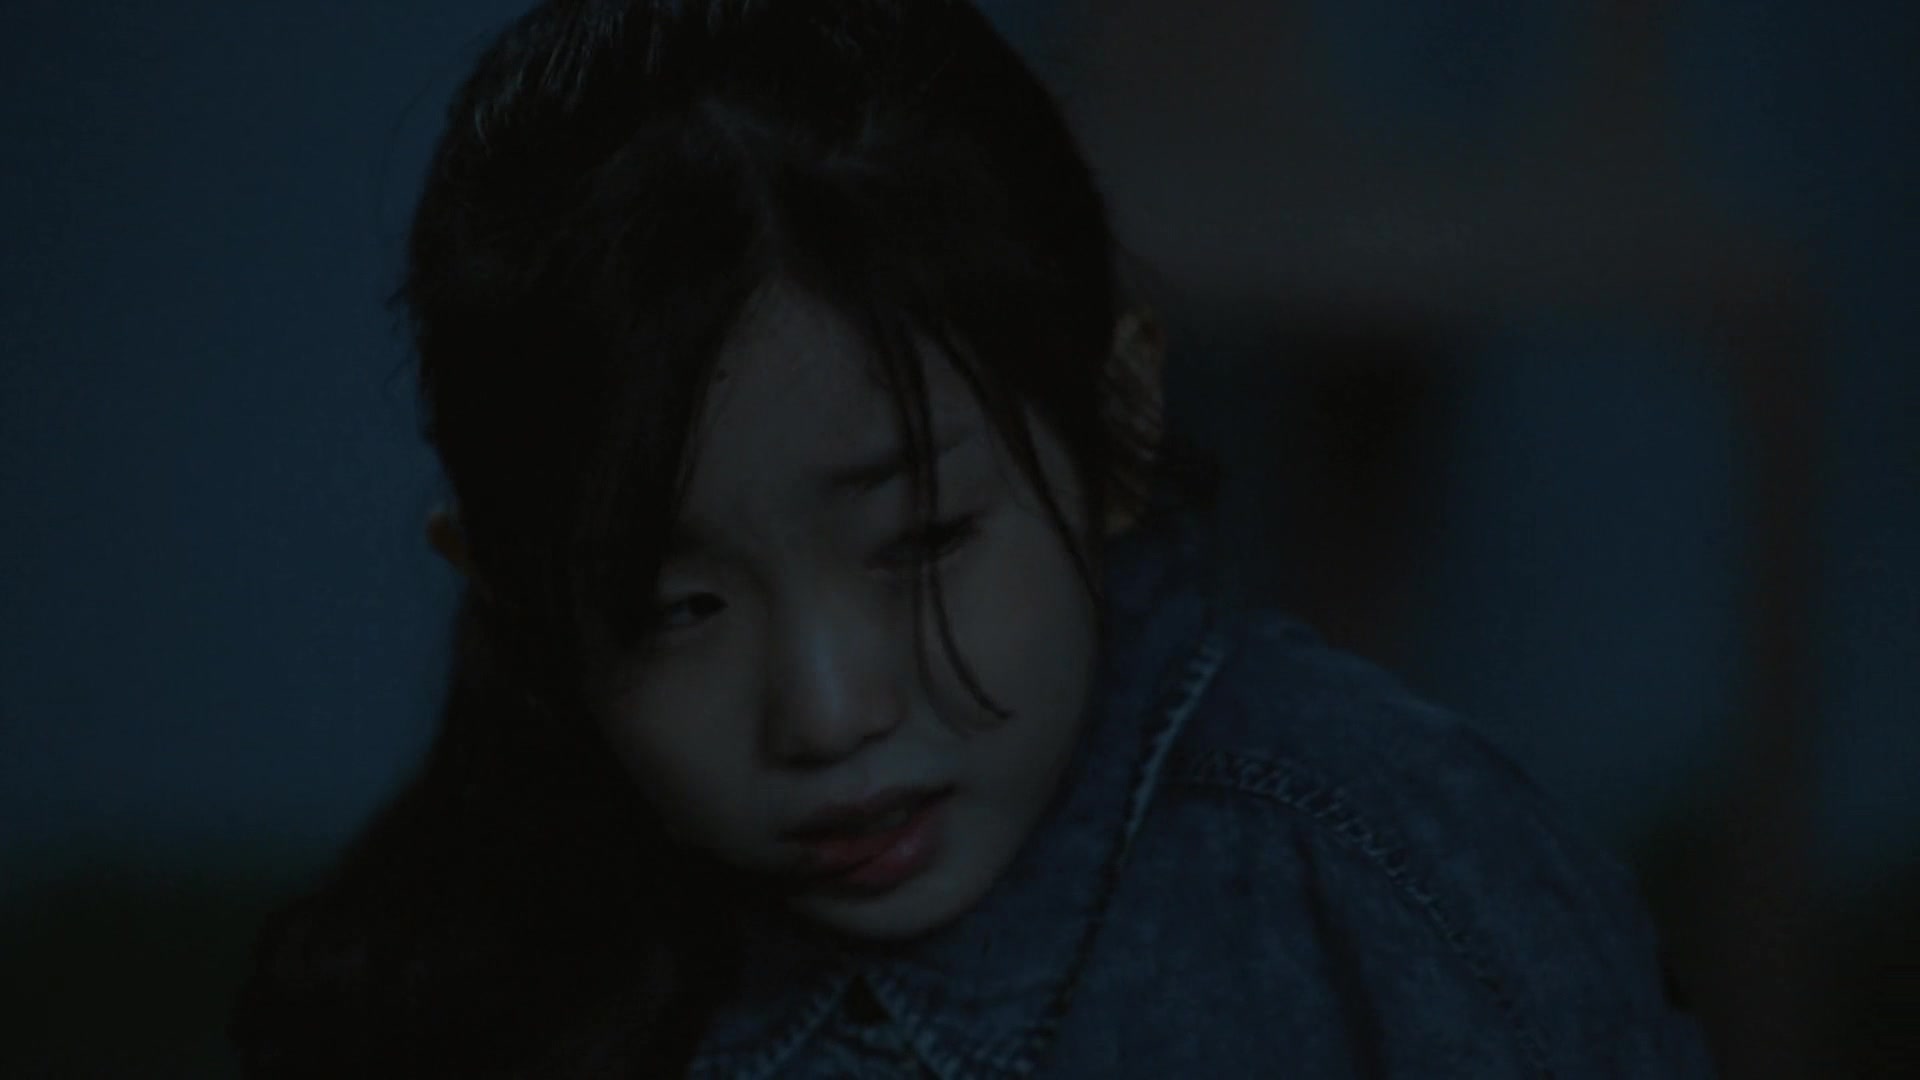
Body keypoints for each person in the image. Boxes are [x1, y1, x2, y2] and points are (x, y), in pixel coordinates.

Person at [231, 1, 1717, 1075]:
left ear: (1113, 418)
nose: (828, 713)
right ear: (517, 600)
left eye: (925, 539)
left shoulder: (1386, 882)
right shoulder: (467, 978)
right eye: (678, 607)